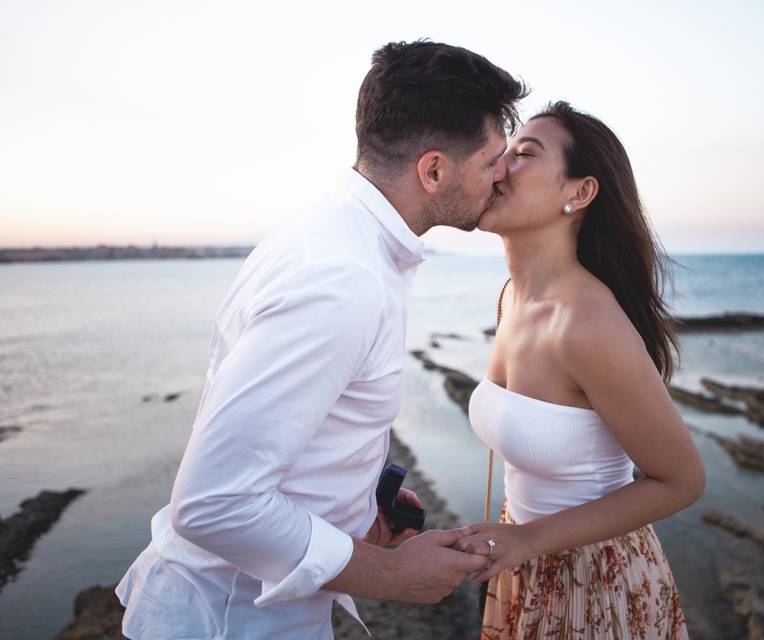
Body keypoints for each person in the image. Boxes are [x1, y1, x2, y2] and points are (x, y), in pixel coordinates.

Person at [115, 40, 527, 640]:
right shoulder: (341, 279)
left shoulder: (340, 238)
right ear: (434, 170)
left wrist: (362, 503)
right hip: (228, 620)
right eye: (491, 160)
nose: (502, 174)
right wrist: (387, 574)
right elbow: (213, 502)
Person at [458, 102, 705, 639]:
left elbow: (682, 480)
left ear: (579, 192)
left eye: (524, 154)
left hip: (595, 582)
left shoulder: (587, 323)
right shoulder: (511, 298)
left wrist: (529, 540)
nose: (499, 165)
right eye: (504, 152)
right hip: (525, 560)